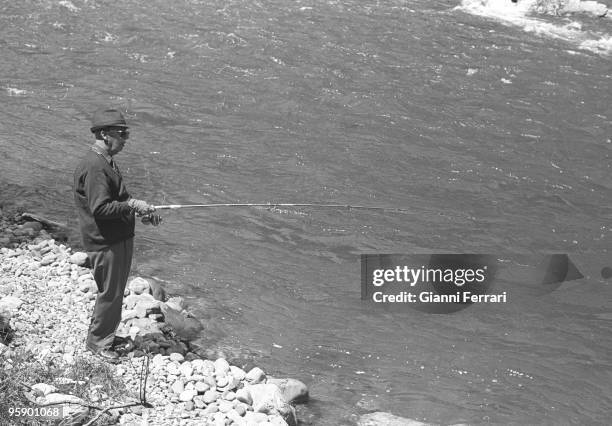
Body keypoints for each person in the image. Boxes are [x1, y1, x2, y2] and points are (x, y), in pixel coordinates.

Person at [74, 108, 162, 361]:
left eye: (126, 133)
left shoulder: (106, 162)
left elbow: (120, 200)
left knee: (115, 290)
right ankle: (98, 344)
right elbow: (100, 208)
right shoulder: (95, 167)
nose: (125, 139)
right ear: (104, 134)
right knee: (110, 293)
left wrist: (141, 210)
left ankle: (106, 335)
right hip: (106, 241)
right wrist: (133, 206)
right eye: (121, 133)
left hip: (117, 238)